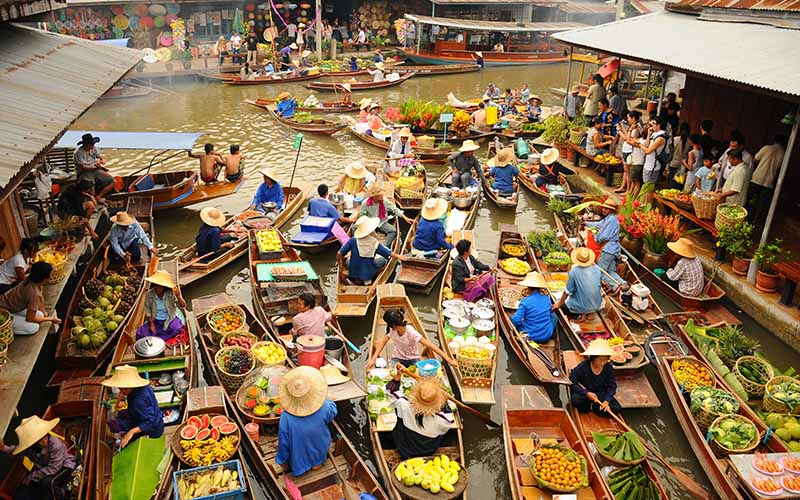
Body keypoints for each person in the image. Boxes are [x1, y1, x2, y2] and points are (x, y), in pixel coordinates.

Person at [276, 366, 337, 476]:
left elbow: (283, 442)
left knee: (299, 457)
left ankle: (303, 468)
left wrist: (282, 460)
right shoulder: (325, 406)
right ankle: (317, 464)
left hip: (299, 457)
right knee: (317, 457)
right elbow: (332, 413)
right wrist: (328, 400)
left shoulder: (286, 417)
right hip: (320, 448)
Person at [0, 415, 76, 500]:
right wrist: (3, 448)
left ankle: (62, 495)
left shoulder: (56, 445)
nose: (43, 441)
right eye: (39, 439)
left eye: (44, 437)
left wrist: (31, 476)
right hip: (47, 468)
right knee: (26, 490)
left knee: (48, 483)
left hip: (63, 465)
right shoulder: (32, 446)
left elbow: (54, 468)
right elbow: (16, 449)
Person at [384, 370, 453, 459]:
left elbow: (391, 391)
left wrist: (397, 376)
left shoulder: (403, 404)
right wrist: (445, 401)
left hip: (403, 449)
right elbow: (448, 418)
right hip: (429, 450)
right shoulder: (443, 420)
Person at [366, 309, 456, 369]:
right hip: (398, 357)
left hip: (413, 359)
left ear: (393, 325)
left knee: (417, 376)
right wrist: (373, 359)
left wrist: (449, 360)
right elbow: (383, 342)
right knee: (394, 374)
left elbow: (430, 345)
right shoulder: (391, 330)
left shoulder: (411, 333)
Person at [103, 365, 164, 448]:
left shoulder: (138, 401)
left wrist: (131, 432)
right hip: (146, 416)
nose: (122, 391)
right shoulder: (143, 387)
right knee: (118, 417)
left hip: (152, 429)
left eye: (124, 389)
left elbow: (150, 422)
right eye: (120, 388)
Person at [338, 216, 406, 285]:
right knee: (384, 260)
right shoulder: (373, 242)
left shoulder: (352, 240)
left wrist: (340, 264)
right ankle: (367, 279)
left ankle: (357, 278)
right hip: (368, 271)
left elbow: (340, 253)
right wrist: (398, 256)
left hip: (353, 270)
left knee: (348, 261)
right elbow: (387, 252)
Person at [0, 262, 59, 336]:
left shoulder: (31, 279)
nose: (51, 276)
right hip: (3, 311)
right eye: (50, 275)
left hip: (10, 306)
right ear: (44, 279)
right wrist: (50, 319)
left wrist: (44, 313)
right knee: (33, 327)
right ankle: (6, 329)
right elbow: (30, 318)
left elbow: (41, 297)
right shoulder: (34, 294)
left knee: (40, 315)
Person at [569, 339, 621, 416]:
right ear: (593, 358)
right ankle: (589, 407)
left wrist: (606, 401)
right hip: (585, 393)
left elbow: (612, 386)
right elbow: (572, 379)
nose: (603, 363)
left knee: (616, 408)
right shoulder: (584, 366)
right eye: (600, 360)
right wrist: (586, 393)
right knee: (576, 400)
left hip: (600, 394)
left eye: (605, 360)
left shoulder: (608, 367)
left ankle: (596, 408)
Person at [585, 199, 626, 290]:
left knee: (601, 271)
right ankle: (623, 283)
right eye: (604, 208)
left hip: (608, 250)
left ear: (611, 211)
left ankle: (616, 287)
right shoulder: (608, 219)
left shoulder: (611, 220)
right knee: (610, 271)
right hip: (614, 250)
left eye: (606, 209)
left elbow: (602, 237)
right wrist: (586, 223)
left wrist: (595, 235)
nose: (604, 210)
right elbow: (598, 224)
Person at [136, 269, 186, 342]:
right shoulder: (149, 295)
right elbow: (148, 311)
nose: (157, 288)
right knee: (141, 334)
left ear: (164, 287)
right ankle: (161, 337)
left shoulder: (171, 294)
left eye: (160, 286)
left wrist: (178, 296)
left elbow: (183, 306)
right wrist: (151, 325)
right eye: (156, 286)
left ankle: (160, 337)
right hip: (156, 320)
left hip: (169, 319)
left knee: (177, 329)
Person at [553, 248, 602, 318]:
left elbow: (567, 291)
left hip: (580, 307)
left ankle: (577, 315)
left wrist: (559, 304)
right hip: (597, 305)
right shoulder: (597, 269)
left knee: (562, 305)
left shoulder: (574, 271)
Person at [359, 183, 413, 247]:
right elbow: (362, 215)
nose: (382, 196)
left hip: (381, 222)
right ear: (374, 197)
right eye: (379, 195)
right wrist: (369, 228)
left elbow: (394, 209)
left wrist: (405, 217)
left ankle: (385, 247)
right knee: (355, 228)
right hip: (370, 223)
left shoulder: (384, 201)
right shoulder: (365, 203)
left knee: (393, 231)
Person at [750, 135, 788, 225]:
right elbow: (781, 168)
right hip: (769, 182)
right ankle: (756, 221)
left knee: (751, 200)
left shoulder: (767, 148)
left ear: (774, 140)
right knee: (761, 203)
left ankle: (748, 218)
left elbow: (755, 159)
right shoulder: (784, 154)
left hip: (757, 178)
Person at [512, 272, 557, 342]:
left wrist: (521, 322)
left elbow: (516, 320)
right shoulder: (547, 299)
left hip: (530, 335)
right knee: (554, 316)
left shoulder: (525, 301)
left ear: (528, 288)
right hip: (546, 335)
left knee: (512, 318)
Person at [73, 133, 115, 202]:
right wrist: (95, 167)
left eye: (93, 143)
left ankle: (99, 196)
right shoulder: (78, 153)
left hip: (95, 170)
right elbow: (83, 168)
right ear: (85, 144)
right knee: (92, 193)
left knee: (112, 180)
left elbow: (100, 157)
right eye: (91, 144)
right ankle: (92, 200)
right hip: (84, 173)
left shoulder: (93, 148)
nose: (93, 145)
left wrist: (102, 160)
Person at [639, 117, 668, 188]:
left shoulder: (660, 138)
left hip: (653, 166)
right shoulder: (654, 134)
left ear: (659, 125)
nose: (652, 126)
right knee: (646, 186)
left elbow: (647, 151)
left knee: (649, 189)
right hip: (648, 163)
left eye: (654, 124)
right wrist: (648, 135)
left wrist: (639, 144)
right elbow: (646, 145)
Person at [669, 122, 691, 190]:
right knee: (679, 184)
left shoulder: (675, 139)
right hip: (683, 166)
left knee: (672, 184)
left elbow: (671, 152)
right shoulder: (690, 142)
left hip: (674, 163)